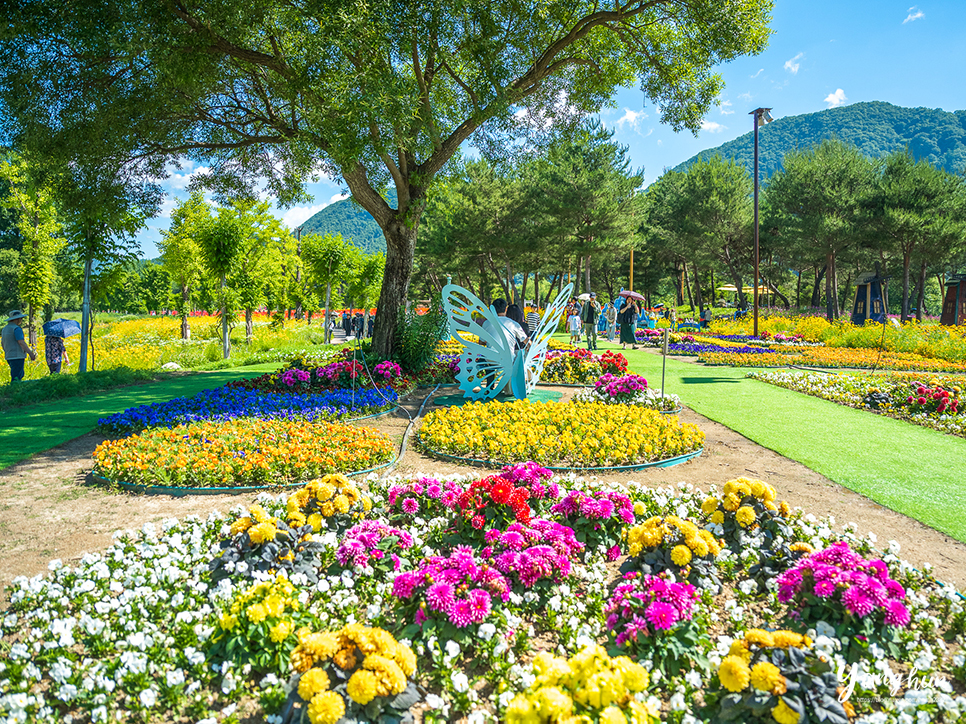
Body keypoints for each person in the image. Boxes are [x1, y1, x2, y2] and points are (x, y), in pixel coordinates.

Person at [480, 298, 529, 394]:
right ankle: (512, 389)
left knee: (487, 356)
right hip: (508, 360)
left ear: (492, 309)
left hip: (491, 360)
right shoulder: (513, 324)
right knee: (516, 358)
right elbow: (526, 341)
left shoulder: (487, 323)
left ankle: (490, 386)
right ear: (506, 309)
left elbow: (481, 342)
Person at [2, 310, 37, 382]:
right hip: (17, 356)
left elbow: (2, 343)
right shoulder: (16, 329)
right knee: (17, 377)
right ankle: (14, 391)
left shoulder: (5, 329)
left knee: (15, 374)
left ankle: (13, 390)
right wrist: (30, 353)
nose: (21, 320)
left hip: (9, 355)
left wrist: (7, 351)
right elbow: (21, 342)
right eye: (20, 318)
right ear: (16, 319)